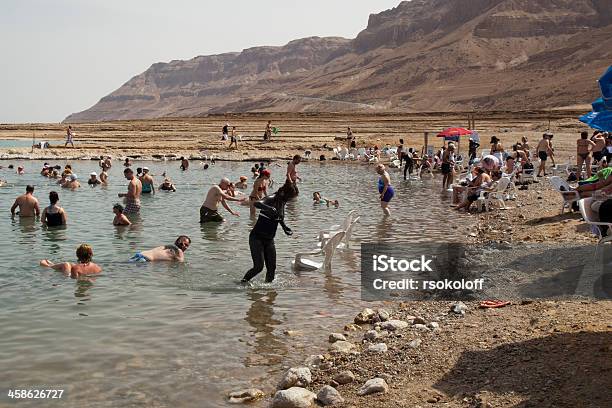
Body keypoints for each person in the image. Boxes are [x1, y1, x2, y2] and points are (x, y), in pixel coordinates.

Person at [241, 181, 297, 283]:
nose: (288, 200)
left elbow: (278, 217)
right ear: (283, 193)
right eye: (289, 198)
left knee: (272, 269)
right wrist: (268, 208)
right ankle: (243, 283)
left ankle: (269, 293)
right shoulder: (271, 199)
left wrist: (284, 227)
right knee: (258, 267)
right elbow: (257, 203)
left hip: (269, 239)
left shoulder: (282, 201)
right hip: (256, 238)